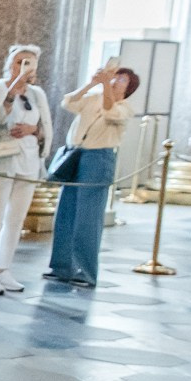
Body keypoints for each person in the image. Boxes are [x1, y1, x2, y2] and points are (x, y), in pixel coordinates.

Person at [0, 43, 53, 293]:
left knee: (16, 219)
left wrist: (34, 130)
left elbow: (45, 126)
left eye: (29, 62)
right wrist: (11, 94)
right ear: (9, 64)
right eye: (19, 61)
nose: (24, 67)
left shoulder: (37, 94)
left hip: (27, 163)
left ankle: (4, 269)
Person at [44, 62, 137, 286]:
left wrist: (105, 87)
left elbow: (110, 111)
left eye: (122, 80)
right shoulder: (94, 97)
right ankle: (61, 266)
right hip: (75, 154)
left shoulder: (125, 108)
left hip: (98, 159)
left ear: (129, 88)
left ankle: (85, 271)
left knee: (88, 217)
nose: (115, 81)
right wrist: (91, 84)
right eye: (115, 76)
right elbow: (68, 102)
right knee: (65, 212)